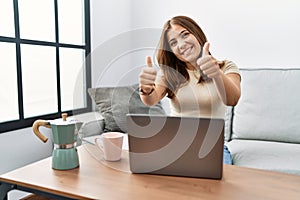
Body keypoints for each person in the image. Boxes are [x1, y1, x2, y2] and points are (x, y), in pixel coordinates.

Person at [138, 15, 241, 164]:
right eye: (173, 43)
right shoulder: (170, 75)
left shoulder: (226, 67)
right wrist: (145, 89)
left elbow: (232, 99)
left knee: (217, 184)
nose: (181, 44)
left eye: (185, 34)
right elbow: (150, 100)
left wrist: (216, 74)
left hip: (213, 147)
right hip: (176, 145)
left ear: (196, 33)